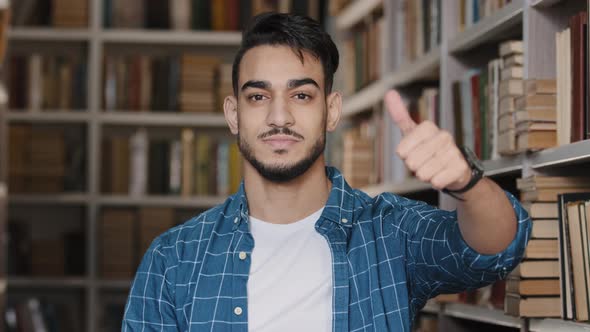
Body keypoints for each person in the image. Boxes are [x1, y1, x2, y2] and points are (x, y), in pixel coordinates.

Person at [122, 12, 530, 332]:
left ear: (331, 110)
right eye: (258, 96)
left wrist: (466, 184)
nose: (279, 116)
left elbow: (496, 251)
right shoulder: (174, 258)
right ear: (234, 114)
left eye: (301, 95)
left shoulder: (389, 232)